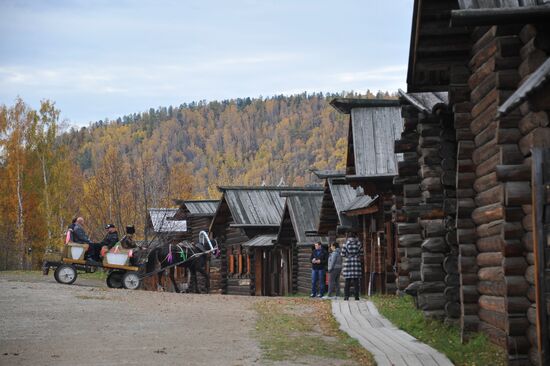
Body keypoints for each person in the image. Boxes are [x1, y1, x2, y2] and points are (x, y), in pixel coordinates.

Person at [342, 232, 362, 301]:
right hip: (356, 262)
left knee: (347, 281)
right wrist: (356, 256)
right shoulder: (359, 243)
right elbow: (361, 253)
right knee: (356, 281)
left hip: (348, 263)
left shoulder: (346, 243)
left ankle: (346, 297)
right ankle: (356, 297)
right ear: (355, 236)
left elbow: (342, 254)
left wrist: (348, 255)